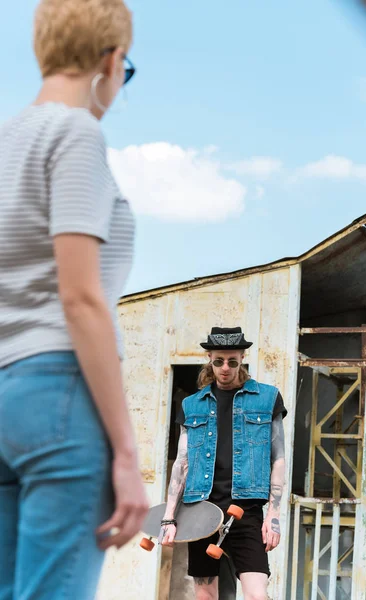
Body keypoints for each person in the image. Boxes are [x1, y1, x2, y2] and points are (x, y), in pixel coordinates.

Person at [0, 1, 148, 599]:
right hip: (61, 393)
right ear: (111, 61)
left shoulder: (6, 139)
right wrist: (127, 454)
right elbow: (81, 296)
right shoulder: (77, 132)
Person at [161, 327, 286, 600]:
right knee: (205, 594)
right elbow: (182, 463)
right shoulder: (192, 405)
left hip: (246, 510)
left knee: (257, 595)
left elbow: (278, 458)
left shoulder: (267, 398)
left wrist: (274, 516)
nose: (225, 368)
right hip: (201, 512)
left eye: (232, 361)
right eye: (218, 361)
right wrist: (169, 517)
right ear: (209, 358)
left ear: (242, 357)